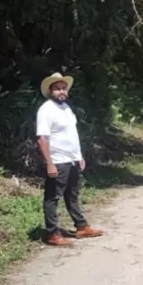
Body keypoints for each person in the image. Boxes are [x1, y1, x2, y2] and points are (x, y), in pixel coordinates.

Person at [36, 72, 103, 247]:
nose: (61, 91)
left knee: (72, 195)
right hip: (57, 161)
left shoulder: (66, 108)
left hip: (71, 160)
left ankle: (81, 227)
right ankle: (52, 234)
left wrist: (79, 156)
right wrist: (50, 163)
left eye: (64, 88)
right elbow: (42, 138)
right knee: (53, 198)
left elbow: (72, 134)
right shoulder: (46, 110)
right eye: (57, 88)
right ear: (50, 91)